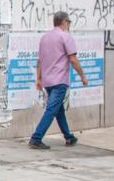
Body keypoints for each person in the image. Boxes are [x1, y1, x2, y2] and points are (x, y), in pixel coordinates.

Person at [29, 11, 88, 149]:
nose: (69, 25)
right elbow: (73, 59)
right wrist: (83, 77)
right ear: (64, 22)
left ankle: (69, 137)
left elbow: (40, 61)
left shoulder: (44, 38)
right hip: (60, 81)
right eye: (69, 22)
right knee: (51, 110)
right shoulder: (65, 37)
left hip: (48, 81)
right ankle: (36, 138)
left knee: (58, 109)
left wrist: (39, 79)